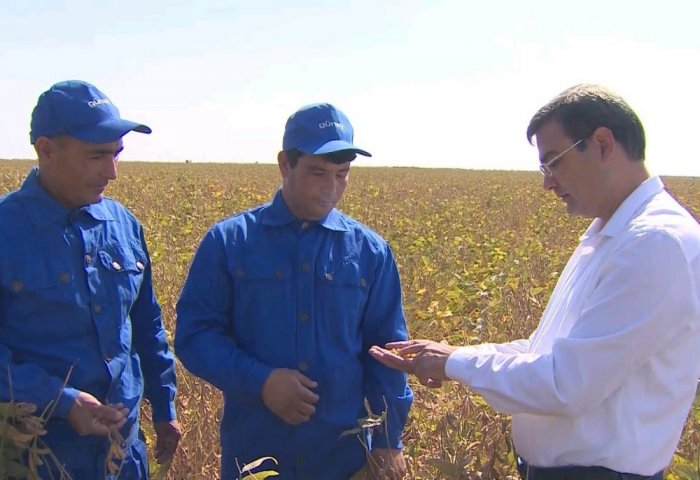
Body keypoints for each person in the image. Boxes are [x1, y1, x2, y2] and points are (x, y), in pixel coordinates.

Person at [370, 84, 700, 479]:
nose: (547, 182)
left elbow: (566, 384)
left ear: (602, 144)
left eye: (553, 162)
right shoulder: (610, 235)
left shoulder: (654, 243)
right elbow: (544, 352)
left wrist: (455, 363)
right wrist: (451, 355)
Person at [175, 103, 413, 479]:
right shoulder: (229, 242)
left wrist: (388, 439)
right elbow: (195, 337)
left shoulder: (370, 252)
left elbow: (387, 353)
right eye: (318, 173)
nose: (331, 188)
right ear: (285, 164)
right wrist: (262, 381)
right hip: (255, 457)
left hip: (342, 460)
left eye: (342, 174)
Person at [0, 80, 181, 479]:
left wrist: (164, 406)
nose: (112, 172)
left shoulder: (123, 225)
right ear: (46, 150)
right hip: (38, 458)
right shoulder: (5, 231)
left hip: (124, 457)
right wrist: (60, 401)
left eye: (117, 154)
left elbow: (147, 325)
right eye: (97, 156)